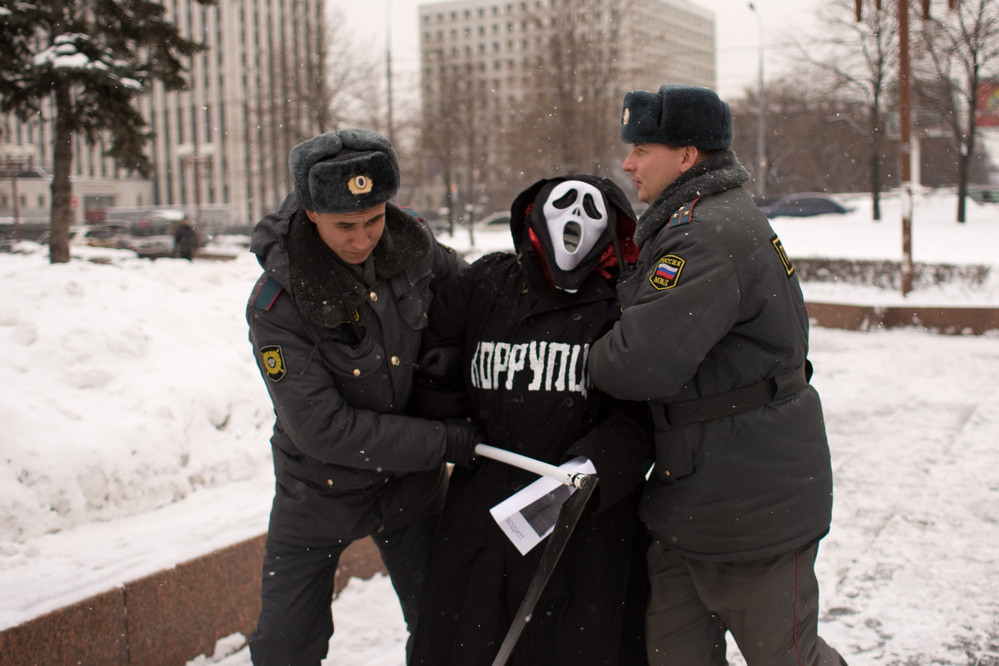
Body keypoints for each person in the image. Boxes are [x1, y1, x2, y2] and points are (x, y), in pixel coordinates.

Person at [587, 85, 849, 665]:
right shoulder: (705, 218)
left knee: (787, 658)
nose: (627, 163)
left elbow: (636, 363)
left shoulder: (704, 233)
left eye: (642, 148)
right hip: (704, 495)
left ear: (687, 156)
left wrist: (578, 352)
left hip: (748, 510)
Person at [245, 128, 477, 666]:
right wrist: (445, 440)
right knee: (284, 646)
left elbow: (472, 296)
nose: (363, 238)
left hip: (410, 490)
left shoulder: (410, 242)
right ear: (309, 214)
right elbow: (324, 429)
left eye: (373, 218)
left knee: (447, 628)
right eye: (344, 225)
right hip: (317, 491)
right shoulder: (276, 304)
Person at [409, 175, 654, 665]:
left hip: (585, 522)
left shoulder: (627, 301)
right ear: (535, 215)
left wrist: (593, 468)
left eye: (591, 211)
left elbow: (643, 414)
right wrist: (449, 404)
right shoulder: (486, 282)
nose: (576, 219)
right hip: (484, 509)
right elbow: (433, 356)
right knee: (468, 640)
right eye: (564, 205)